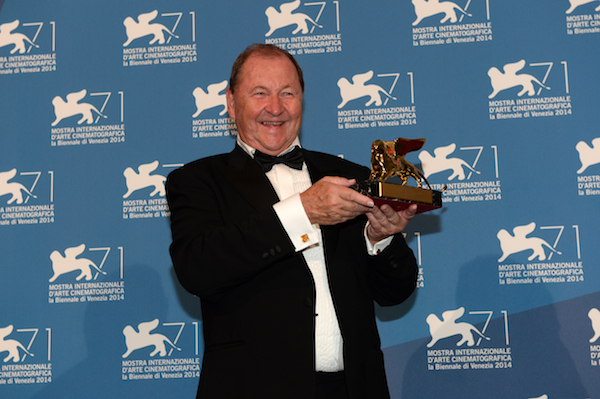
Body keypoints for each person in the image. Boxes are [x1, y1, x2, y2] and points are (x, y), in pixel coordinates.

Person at [166, 43, 418, 399]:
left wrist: (380, 239)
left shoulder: (349, 176)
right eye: (260, 93)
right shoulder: (196, 181)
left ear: (302, 100)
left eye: (288, 93)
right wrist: (302, 212)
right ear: (230, 102)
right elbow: (199, 269)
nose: (275, 107)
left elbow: (395, 293)